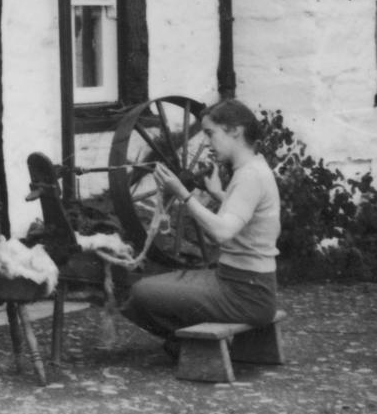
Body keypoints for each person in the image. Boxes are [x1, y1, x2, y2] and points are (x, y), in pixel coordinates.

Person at [118, 98, 280, 358]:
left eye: (210, 133)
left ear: (235, 131)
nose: (206, 141)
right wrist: (218, 195)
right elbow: (246, 215)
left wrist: (182, 194)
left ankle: (191, 343)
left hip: (245, 294)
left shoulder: (249, 176)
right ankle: (189, 339)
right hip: (247, 285)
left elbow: (221, 232)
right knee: (156, 286)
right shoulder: (254, 168)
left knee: (140, 292)